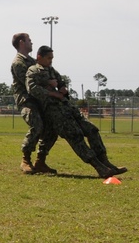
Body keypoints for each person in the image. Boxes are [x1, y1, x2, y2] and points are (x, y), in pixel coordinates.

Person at [26, 46, 127, 178]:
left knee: (92, 130)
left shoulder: (51, 70)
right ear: (39, 57)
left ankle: (106, 163)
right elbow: (32, 89)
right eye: (48, 58)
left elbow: (62, 81)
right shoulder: (33, 71)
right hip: (54, 111)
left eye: (52, 58)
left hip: (67, 107)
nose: (51, 61)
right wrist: (52, 92)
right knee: (76, 136)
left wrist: (62, 88)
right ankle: (99, 167)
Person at [10, 33, 57, 175]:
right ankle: (25, 160)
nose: (32, 42)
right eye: (29, 40)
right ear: (21, 42)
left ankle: (40, 161)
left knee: (52, 128)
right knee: (37, 125)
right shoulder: (18, 62)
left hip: (40, 100)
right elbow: (29, 83)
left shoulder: (32, 61)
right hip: (27, 101)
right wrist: (48, 83)